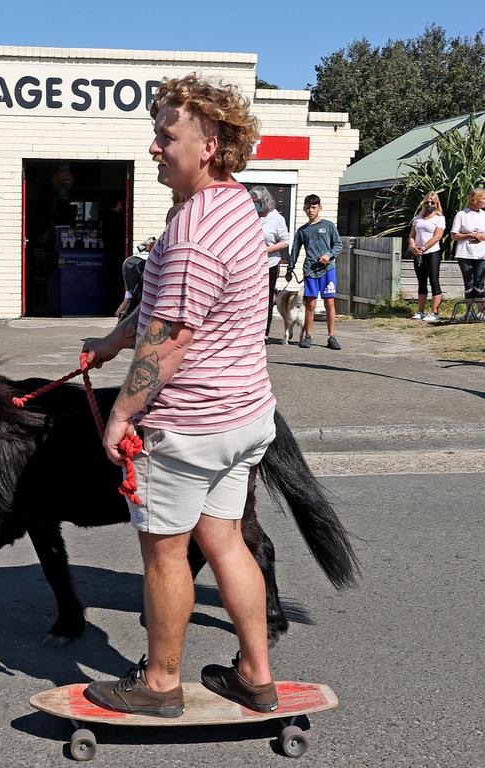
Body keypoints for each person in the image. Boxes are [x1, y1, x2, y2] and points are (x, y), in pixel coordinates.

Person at [81, 74, 280, 717]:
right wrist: (114, 341)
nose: (154, 149)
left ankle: (160, 685)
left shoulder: (192, 233)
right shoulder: (236, 206)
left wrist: (119, 415)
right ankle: (256, 674)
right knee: (224, 540)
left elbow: (166, 345)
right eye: (156, 136)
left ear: (211, 142)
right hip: (245, 415)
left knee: (166, 553)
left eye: (167, 137)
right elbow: (165, 309)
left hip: (189, 427)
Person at [286, 195, 342, 350]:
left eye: (314, 207)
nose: (311, 210)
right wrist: (290, 269)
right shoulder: (302, 231)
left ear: (319, 208)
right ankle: (307, 335)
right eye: (308, 207)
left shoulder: (329, 226)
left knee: (329, 302)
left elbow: (338, 245)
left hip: (327, 270)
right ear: (304, 209)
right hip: (310, 271)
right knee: (310, 304)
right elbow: (295, 251)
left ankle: (331, 337)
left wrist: (328, 255)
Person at [450, 188, 485, 314]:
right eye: (484, 198)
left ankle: (482, 311)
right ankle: (469, 312)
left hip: (482, 254)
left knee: (479, 282)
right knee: (469, 283)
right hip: (465, 253)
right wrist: (469, 235)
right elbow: (454, 235)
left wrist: (481, 237)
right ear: (476, 199)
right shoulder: (461, 214)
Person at [257, 189, 290, 339]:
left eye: (257, 202)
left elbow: (285, 241)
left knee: (267, 298)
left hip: (270, 263)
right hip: (252, 263)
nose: (255, 205)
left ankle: (264, 332)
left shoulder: (276, 218)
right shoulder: (251, 216)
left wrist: (267, 249)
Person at [408, 192, 446, 322]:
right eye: (427, 202)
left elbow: (437, 236)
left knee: (434, 281)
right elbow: (412, 235)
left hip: (432, 252)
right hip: (418, 253)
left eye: (432, 203)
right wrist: (413, 247)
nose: (429, 204)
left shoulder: (439, 218)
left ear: (436, 204)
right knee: (421, 282)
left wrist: (424, 247)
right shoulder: (418, 218)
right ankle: (420, 311)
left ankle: (435, 312)